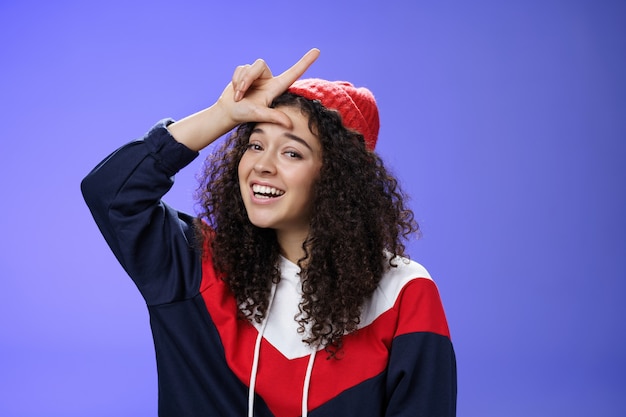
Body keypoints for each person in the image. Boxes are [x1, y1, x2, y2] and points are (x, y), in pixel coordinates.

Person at [81, 48, 456, 417]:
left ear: (340, 179)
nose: (262, 165)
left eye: (291, 153)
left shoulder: (403, 294)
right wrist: (221, 115)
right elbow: (111, 194)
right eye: (256, 144)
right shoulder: (199, 270)